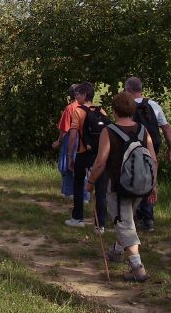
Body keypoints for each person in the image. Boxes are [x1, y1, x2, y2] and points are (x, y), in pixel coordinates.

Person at [86, 91, 157, 282]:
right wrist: (153, 184)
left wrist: (90, 182)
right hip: (141, 185)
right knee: (126, 219)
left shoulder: (109, 131)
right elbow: (153, 159)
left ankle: (138, 268)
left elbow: (100, 162)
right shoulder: (143, 130)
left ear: (114, 110)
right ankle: (116, 252)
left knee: (124, 223)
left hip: (119, 187)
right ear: (132, 109)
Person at [125, 76, 171, 232]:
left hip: (133, 149)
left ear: (129, 90)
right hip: (152, 149)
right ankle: (148, 218)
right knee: (149, 180)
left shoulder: (127, 106)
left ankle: (136, 215)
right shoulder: (154, 105)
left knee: (132, 179)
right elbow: (165, 127)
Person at [65, 81, 109, 230]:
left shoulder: (78, 111)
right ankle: (100, 225)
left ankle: (77, 218)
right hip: (99, 154)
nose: (76, 96)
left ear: (84, 95)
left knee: (78, 185)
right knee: (101, 189)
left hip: (83, 153)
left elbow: (72, 136)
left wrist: (70, 156)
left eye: (78, 93)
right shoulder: (101, 111)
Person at [52, 83, 81, 198]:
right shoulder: (88, 107)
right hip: (84, 141)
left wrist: (58, 141)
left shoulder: (70, 108)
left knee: (66, 166)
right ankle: (85, 195)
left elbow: (64, 129)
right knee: (82, 167)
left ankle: (69, 193)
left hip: (71, 139)